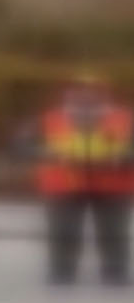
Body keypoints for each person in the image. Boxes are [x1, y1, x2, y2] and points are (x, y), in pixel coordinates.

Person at [20, 73, 134, 285]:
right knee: (62, 233)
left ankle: (116, 276)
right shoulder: (48, 118)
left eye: (92, 91)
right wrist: (45, 153)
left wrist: (124, 157)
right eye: (79, 91)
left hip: (114, 185)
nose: (85, 95)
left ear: (103, 94)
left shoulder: (127, 118)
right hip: (63, 184)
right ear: (68, 94)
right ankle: (61, 274)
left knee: (114, 234)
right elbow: (22, 146)